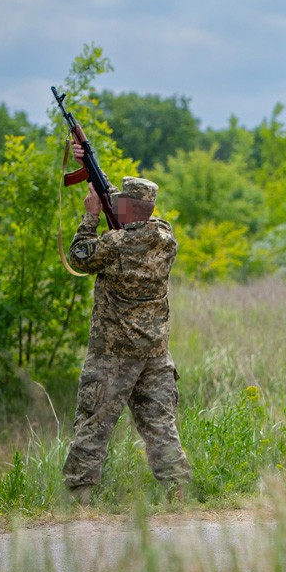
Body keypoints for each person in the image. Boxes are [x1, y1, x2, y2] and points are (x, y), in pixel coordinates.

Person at [62, 146, 191, 506]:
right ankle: (177, 494)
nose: (112, 203)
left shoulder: (113, 244)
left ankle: (81, 499)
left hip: (113, 354)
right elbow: (148, 223)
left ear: (127, 210)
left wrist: (91, 217)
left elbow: (79, 255)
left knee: (93, 424)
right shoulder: (166, 240)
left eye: (119, 201)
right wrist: (87, 167)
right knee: (160, 425)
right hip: (155, 354)